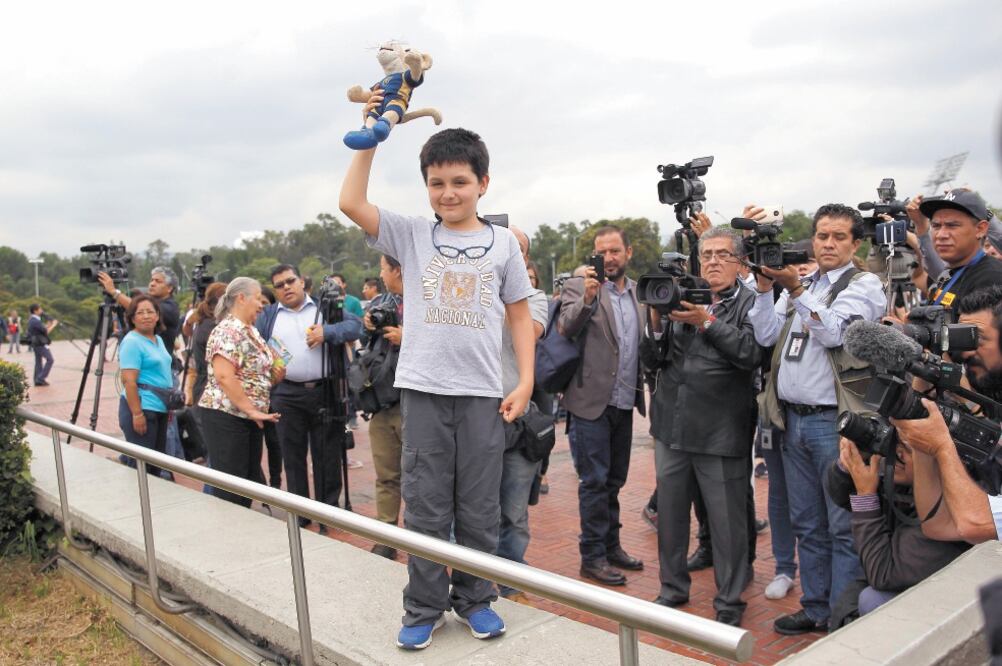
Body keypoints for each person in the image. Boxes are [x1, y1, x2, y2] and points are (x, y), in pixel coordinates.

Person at [340, 124, 535, 650]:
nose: (448, 192)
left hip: (480, 394)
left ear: (483, 183)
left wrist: (525, 382)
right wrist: (370, 138)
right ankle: (424, 607)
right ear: (426, 186)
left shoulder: (502, 247)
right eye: (436, 182)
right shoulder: (413, 235)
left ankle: (475, 600)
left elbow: (519, 316)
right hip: (423, 393)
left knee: (478, 508)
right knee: (425, 507)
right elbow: (351, 201)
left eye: (459, 181)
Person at [749, 203, 887, 634]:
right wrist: (761, 289)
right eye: (822, 236)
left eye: (838, 237)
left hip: (835, 422)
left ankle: (843, 614)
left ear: (855, 243)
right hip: (793, 420)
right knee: (806, 522)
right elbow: (766, 335)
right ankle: (815, 607)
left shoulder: (864, 285)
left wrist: (793, 290)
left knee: (841, 524)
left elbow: (833, 332)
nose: (828, 244)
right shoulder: (805, 282)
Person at [645, 227, 761, 626]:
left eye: (722, 255)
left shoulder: (752, 302)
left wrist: (706, 320)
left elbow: (750, 353)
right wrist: (656, 320)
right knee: (672, 517)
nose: (711, 261)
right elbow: (653, 361)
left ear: (741, 263)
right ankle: (672, 588)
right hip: (672, 425)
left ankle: (729, 601)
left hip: (721, 429)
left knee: (728, 524)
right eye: (706, 254)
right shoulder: (684, 294)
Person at [558, 226, 646, 586]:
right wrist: (589, 298)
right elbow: (565, 327)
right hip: (589, 401)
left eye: (614, 251)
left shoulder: (641, 293)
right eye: (601, 252)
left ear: (628, 252)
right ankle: (591, 556)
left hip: (624, 401)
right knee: (593, 482)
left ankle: (612, 547)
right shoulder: (578, 288)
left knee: (614, 480)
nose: (608, 258)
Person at [256, 265, 362, 522]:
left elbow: (356, 327)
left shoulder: (322, 307)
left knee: (327, 453)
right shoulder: (267, 316)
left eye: (290, 281)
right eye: (279, 285)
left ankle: (328, 512)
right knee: (292, 455)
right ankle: (300, 514)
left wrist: (328, 332)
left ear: (302, 281)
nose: (286, 288)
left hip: (325, 391)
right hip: (286, 393)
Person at [834, 439, 969, 619]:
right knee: (850, 600)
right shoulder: (907, 482)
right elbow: (840, 495)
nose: (896, 456)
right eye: (894, 444)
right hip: (915, 581)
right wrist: (848, 463)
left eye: (908, 449)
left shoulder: (945, 511)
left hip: (944, 608)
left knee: (871, 599)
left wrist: (866, 495)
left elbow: (882, 574)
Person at [198, 278, 283, 507]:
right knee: (232, 488)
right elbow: (224, 376)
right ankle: (230, 536)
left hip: (248, 417)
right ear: (241, 298)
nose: (261, 304)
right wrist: (250, 410)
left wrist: (275, 374)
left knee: (246, 483)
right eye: (257, 298)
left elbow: (255, 373)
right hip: (227, 416)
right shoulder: (227, 330)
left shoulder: (251, 331)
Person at [496, 226, 548, 599]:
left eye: (518, 248)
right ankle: (470, 580)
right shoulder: (469, 290)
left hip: (516, 422)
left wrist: (499, 289)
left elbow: (525, 330)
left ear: (525, 259)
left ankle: (512, 582)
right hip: (471, 418)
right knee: (469, 510)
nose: (510, 251)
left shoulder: (536, 297)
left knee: (513, 512)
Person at [363, 254, 405, 558]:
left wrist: (408, 337)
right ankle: (387, 534)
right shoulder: (384, 301)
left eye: (382, 269)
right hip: (381, 400)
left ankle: (422, 540)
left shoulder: (425, 300)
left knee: (419, 478)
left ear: (397, 270)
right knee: (386, 474)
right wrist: (369, 325)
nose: (380, 274)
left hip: (413, 402)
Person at [919, 190, 1002, 316]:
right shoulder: (951, 273)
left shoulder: (991, 278)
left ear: (980, 229)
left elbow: (977, 335)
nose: (941, 235)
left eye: (952, 225)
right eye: (936, 226)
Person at [117, 295, 174, 477]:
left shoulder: (158, 339)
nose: (146, 316)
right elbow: (129, 381)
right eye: (140, 313)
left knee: (155, 465)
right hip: (142, 408)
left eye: (150, 311)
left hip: (160, 407)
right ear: (132, 318)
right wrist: (137, 414)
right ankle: (138, 504)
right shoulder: (132, 342)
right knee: (142, 468)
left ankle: (154, 504)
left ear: (157, 316)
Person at [98, 266, 183, 354]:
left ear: (170, 288)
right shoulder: (150, 300)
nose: (152, 284)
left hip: (158, 365)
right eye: (152, 280)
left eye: (158, 281)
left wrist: (114, 291)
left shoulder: (170, 307)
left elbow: (138, 307)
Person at [26, 304, 58, 386]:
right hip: (39, 343)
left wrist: (49, 324)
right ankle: (40, 378)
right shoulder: (34, 321)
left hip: (36, 343)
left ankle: (37, 380)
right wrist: (53, 324)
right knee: (50, 359)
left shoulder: (34, 320)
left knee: (38, 361)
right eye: (40, 309)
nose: (41, 310)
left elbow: (42, 329)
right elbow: (46, 332)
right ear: (35, 311)